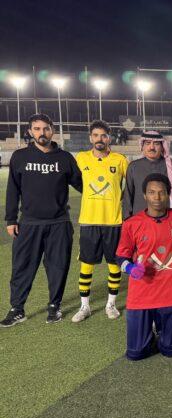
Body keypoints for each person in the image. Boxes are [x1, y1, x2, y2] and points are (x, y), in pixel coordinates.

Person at [2, 114, 82, 327]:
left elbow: (82, 185)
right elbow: (13, 190)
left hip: (59, 223)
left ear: (52, 130)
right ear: (30, 132)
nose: (42, 133)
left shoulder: (65, 158)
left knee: (58, 267)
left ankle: (54, 306)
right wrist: (11, 219)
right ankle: (17, 309)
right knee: (22, 267)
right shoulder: (20, 157)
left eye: (45, 128)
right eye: (37, 129)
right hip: (29, 223)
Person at [115, 174, 172, 360]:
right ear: (144, 195)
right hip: (141, 296)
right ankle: (150, 334)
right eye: (152, 192)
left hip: (171, 295)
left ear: (168, 194)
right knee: (136, 354)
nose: (157, 197)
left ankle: (164, 333)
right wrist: (130, 269)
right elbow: (120, 257)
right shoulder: (132, 224)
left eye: (161, 192)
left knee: (171, 350)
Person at [71, 120, 128, 322]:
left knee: (114, 264)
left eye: (103, 135)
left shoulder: (120, 160)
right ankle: (84, 306)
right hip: (89, 220)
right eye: (96, 135)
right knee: (86, 265)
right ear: (90, 138)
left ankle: (110, 304)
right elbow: (75, 181)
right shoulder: (81, 158)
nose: (99, 139)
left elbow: (130, 186)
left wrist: (119, 199)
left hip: (113, 221)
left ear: (109, 138)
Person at [123, 130, 172, 219]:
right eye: (148, 143)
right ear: (142, 146)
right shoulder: (133, 167)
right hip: (139, 220)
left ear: (162, 147)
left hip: (166, 219)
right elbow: (128, 197)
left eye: (156, 144)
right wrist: (127, 219)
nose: (152, 147)